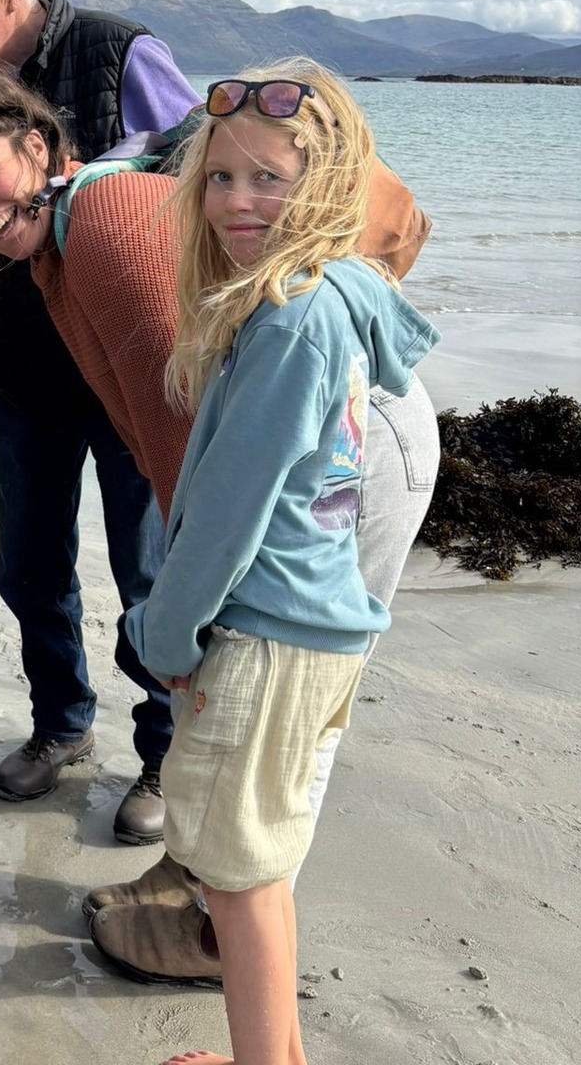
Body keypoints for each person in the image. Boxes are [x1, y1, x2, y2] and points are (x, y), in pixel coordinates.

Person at [0, 61, 438, 995]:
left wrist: (187, 614)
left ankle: (222, 934)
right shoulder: (63, 242)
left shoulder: (101, 231)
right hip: (317, 429)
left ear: (38, 149)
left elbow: (195, 440)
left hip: (349, 440)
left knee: (276, 705)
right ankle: (202, 891)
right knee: (241, 698)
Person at [121, 70, 438, 1065]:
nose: (238, 203)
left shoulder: (290, 324)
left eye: (270, 178)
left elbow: (224, 518)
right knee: (262, 865)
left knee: (238, 880)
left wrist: (163, 635)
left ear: (330, 183)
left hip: (262, 638)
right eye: (220, 180)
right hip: (320, 630)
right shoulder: (335, 295)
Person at [0, 0, 198, 843]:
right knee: (30, 565)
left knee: (149, 572)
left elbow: (197, 169)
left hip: (126, 366)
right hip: (26, 377)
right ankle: (62, 724)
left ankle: (164, 755)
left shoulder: (120, 53)